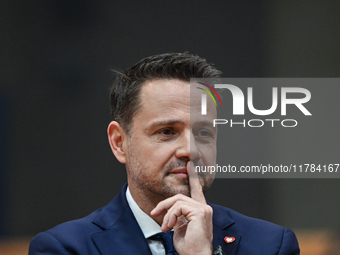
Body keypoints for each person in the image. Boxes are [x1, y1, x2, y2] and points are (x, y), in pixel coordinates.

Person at [29, 53, 300, 255]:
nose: (190, 150)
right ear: (119, 142)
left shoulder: (271, 245)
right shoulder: (65, 248)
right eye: (167, 131)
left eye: (204, 133)